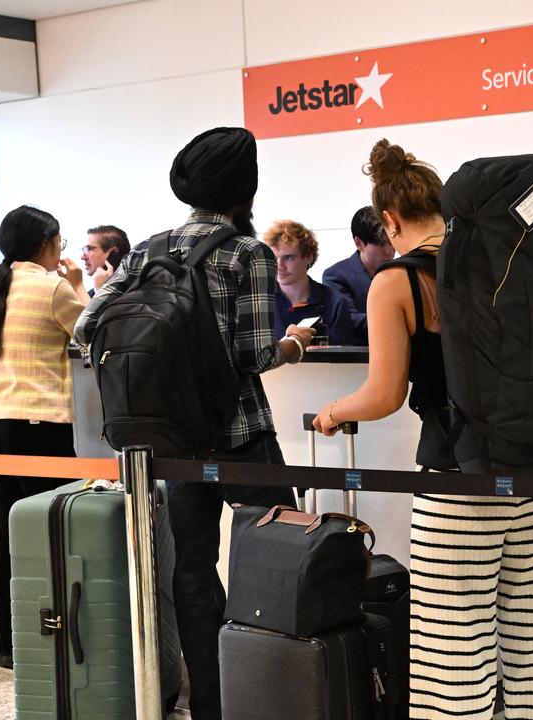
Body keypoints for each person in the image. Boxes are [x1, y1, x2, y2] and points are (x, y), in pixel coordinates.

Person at [314, 139, 533, 720]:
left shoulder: (398, 281)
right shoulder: (506, 258)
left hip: (459, 479)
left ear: (389, 220)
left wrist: (333, 413)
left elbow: (383, 395)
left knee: (454, 647)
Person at [74, 126, 313, 720]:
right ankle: (275, 695)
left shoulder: (148, 248)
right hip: (241, 435)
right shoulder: (246, 252)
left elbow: (85, 329)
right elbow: (255, 355)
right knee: (279, 558)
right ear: (246, 189)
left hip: (172, 440)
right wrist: (296, 344)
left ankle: (211, 703)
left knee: (191, 573)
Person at [0, 205, 89, 664]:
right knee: (51, 529)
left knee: (11, 530)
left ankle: (14, 637)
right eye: (58, 242)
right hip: (40, 424)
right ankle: (54, 634)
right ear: (45, 244)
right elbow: (92, 333)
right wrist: (79, 283)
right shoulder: (52, 286)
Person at [263, 219, 356, 346]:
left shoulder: (335, 302)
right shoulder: (260, 300)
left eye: (289, 258)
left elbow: (341, 362)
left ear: (309, 257)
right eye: (273, 258)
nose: (279, 266)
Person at [321, 206, 396, 344]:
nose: (389, 251)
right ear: (359, 243)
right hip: (359, 356)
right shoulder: (336, 276)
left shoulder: (399, 272)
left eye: (392, 242)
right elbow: (349, 319)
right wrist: (398, 318)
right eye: (381, 244)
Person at [81, 224, 130, 295]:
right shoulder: (90, 294)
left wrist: (101, 292)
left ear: (113, 253)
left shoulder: (134, 292)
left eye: (89, 249)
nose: (83, 257)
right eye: (84, 250)